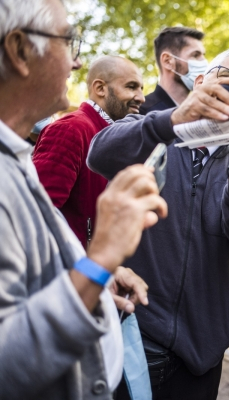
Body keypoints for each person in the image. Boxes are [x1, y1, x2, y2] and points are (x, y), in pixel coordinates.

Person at [0, 0, 168, 398]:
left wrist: (98, 275)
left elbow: (39, 243)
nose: (76, 62)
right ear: (20, 50)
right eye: (68, 41)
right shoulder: (72, 129)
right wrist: (100, 259)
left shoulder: (17, 155)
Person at [87, 48, 229, 400]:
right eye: (228, 76)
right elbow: (99, 152)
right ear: (199, 82)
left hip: (201, 352)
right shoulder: (154, 129)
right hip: (135, 333)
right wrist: (173, 120)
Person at [33, 55, 144, 248]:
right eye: (131, 87)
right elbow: (38, 214)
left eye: (141, 89)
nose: (141, 98)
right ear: (100, 88)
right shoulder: (71, 129)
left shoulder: (114, 136)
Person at [140, 27, 206, 114]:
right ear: (167, 61)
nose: (204, 62)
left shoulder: (200, 111)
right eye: (195, 55)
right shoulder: (142, 112)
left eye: (203, 55)